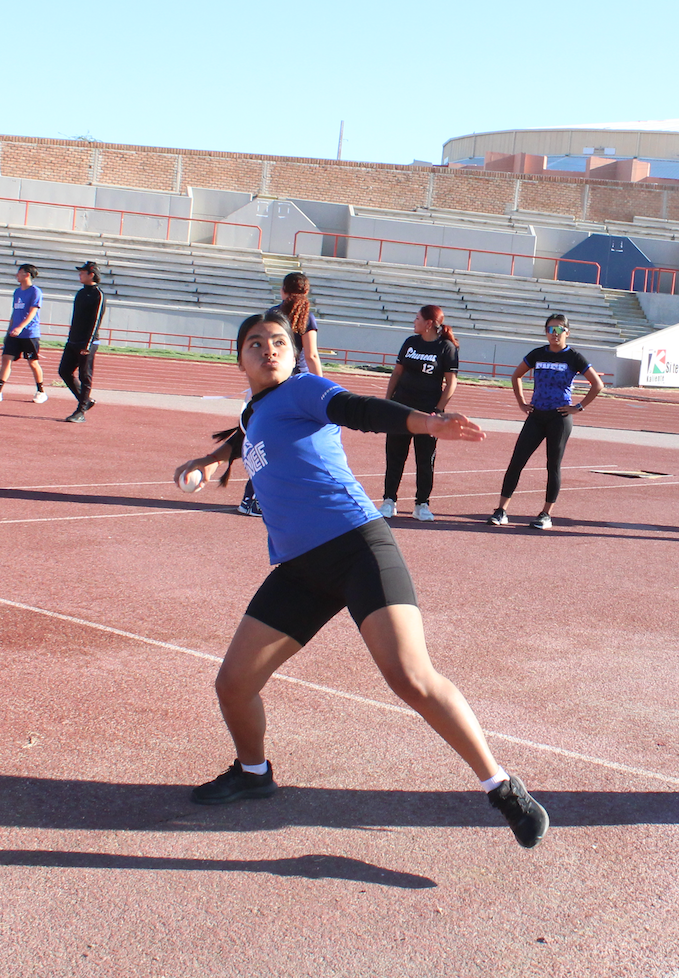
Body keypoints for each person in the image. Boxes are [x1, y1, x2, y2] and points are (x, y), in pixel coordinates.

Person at [173, 311, 549, 848]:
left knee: (410, 676)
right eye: (255, 344)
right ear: (240, 357)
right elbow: (247, 431)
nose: (269, 350)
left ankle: (502, 787)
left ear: (294, 352)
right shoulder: (255, 409)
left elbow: (358, 409)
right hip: (301, 568)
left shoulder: (305, 388)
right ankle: (254, 775)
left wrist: (427, 422)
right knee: (233, 684)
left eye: (279, 341)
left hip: (357, 547)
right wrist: (213, 460)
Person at [488, 314, 604, 530]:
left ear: (567, 332)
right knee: (516, 461)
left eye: (558, 330)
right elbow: (516, 376)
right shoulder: (538, 354)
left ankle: (546, 514)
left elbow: (597, 384)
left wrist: (578, 407)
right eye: (550, 330)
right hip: (536, 415)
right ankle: (501, 510)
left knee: (553, 466)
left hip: (559, 418)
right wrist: (522, 402)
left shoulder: (574, 357)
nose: (554, 334)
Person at [235, 272, 325, 517]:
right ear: (306, 293)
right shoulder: (307, 319)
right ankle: (255, 497)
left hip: (270, 383)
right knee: (288, 443)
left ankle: (255, 497)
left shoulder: (272, 316)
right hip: (296, 386)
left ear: (283, 291)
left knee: (266, 440)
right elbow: (312, 355)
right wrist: (322, 388)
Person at [380, 305, 460, 522]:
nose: (413, 322)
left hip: (427, 414)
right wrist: (388, 401)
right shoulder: (410, 343)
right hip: (401, 409)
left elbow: (451, 383)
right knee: (394, 456)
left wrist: (439, 410)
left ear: (429, 323)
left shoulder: (446, 347)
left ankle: (422, 504)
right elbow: (397, 373)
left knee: (425, 460)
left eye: (417, 318)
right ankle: (389, 501)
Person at [0, 264, 49, 404]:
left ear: (27, 274)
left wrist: (21, 327)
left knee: (33, 362)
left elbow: (33, 312)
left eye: (19, 273)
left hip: (29, 334)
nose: (17, 275)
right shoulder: (17, 292)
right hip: (14, 334)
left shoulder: (35, 292)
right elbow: (14, 313)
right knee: (6, 359)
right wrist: (9, 331)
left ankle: (41, 391)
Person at [59, 260, 106, 425]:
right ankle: (86, 401)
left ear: (91, 274)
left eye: (82, 272)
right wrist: (70, 337)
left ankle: (81, 411)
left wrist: (87, 344)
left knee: (85, 376)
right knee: (64, 371)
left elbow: (95, 321)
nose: (79, 274)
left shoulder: (98, 295)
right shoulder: (80, 293)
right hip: (73, 340)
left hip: (87, 342)